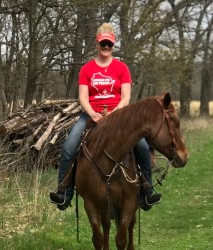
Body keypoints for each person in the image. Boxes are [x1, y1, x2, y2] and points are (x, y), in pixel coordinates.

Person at [49, 23, 161, 211]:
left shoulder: (122, 68)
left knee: (141, 145)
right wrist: (92, 113)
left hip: (118, 118)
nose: (106, 47)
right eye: (103, 44)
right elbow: (83, 97)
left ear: (113, 45)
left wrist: (116, 113)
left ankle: (146, 192)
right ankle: (64, 193)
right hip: (91, 117)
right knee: (69, 146)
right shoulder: (86, 69)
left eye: (109, 44)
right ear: (97, 44)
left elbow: (126, 97)